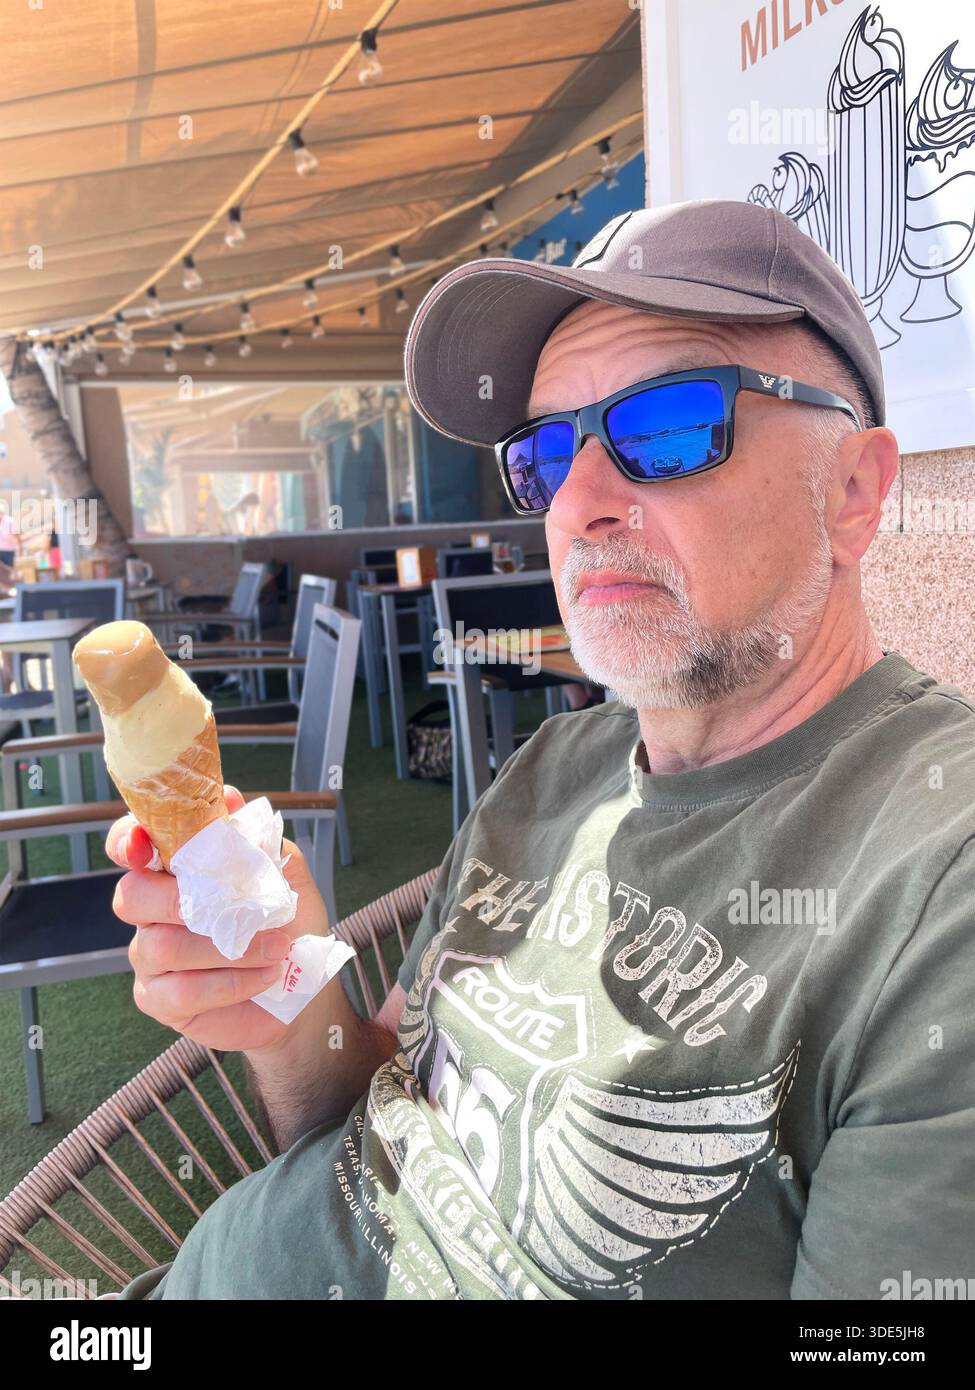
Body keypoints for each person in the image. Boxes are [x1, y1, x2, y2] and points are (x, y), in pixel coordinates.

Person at [110, 201, 974, 1300]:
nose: (580, 503)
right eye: (549, 452)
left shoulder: (939, 891)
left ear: (854, 494)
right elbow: (377, 1109)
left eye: (665, 425)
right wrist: (283, 982)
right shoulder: (551, 766)